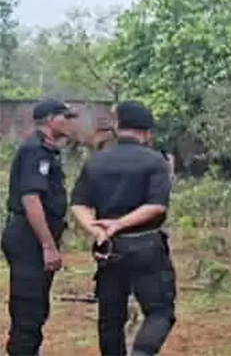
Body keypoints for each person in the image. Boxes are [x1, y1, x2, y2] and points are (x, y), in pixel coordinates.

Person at [70, 101, 176, 356]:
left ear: (118, 127)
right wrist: (120, 224)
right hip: (145, 246)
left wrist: (98, 231)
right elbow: (156, 206)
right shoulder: (155, 161)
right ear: (147, 131)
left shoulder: (97, 161)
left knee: (111, 318)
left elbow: (78, 204)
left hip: (109, 249)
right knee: (160, 311)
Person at [2, 98, 79, 355]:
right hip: (28, 238)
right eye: (65, 117)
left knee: (36, 306)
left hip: (34, 237)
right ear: (49, 119)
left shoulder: (47, 150)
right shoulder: (35, 150)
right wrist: (48, 245)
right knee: (29, 306)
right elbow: (31, 199)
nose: (70, 123)